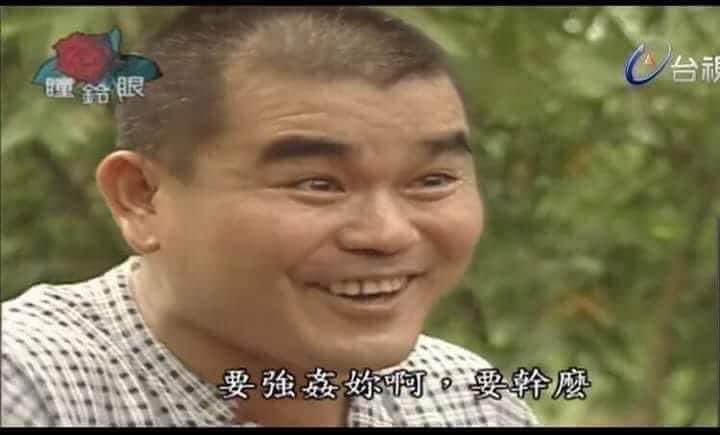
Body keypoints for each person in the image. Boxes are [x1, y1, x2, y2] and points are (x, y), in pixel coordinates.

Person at [1, 6, 539, 427]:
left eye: (432, 180)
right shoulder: (31, 389)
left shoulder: (467, 400)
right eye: (317, 184)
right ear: (141, 197)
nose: (387, 233)